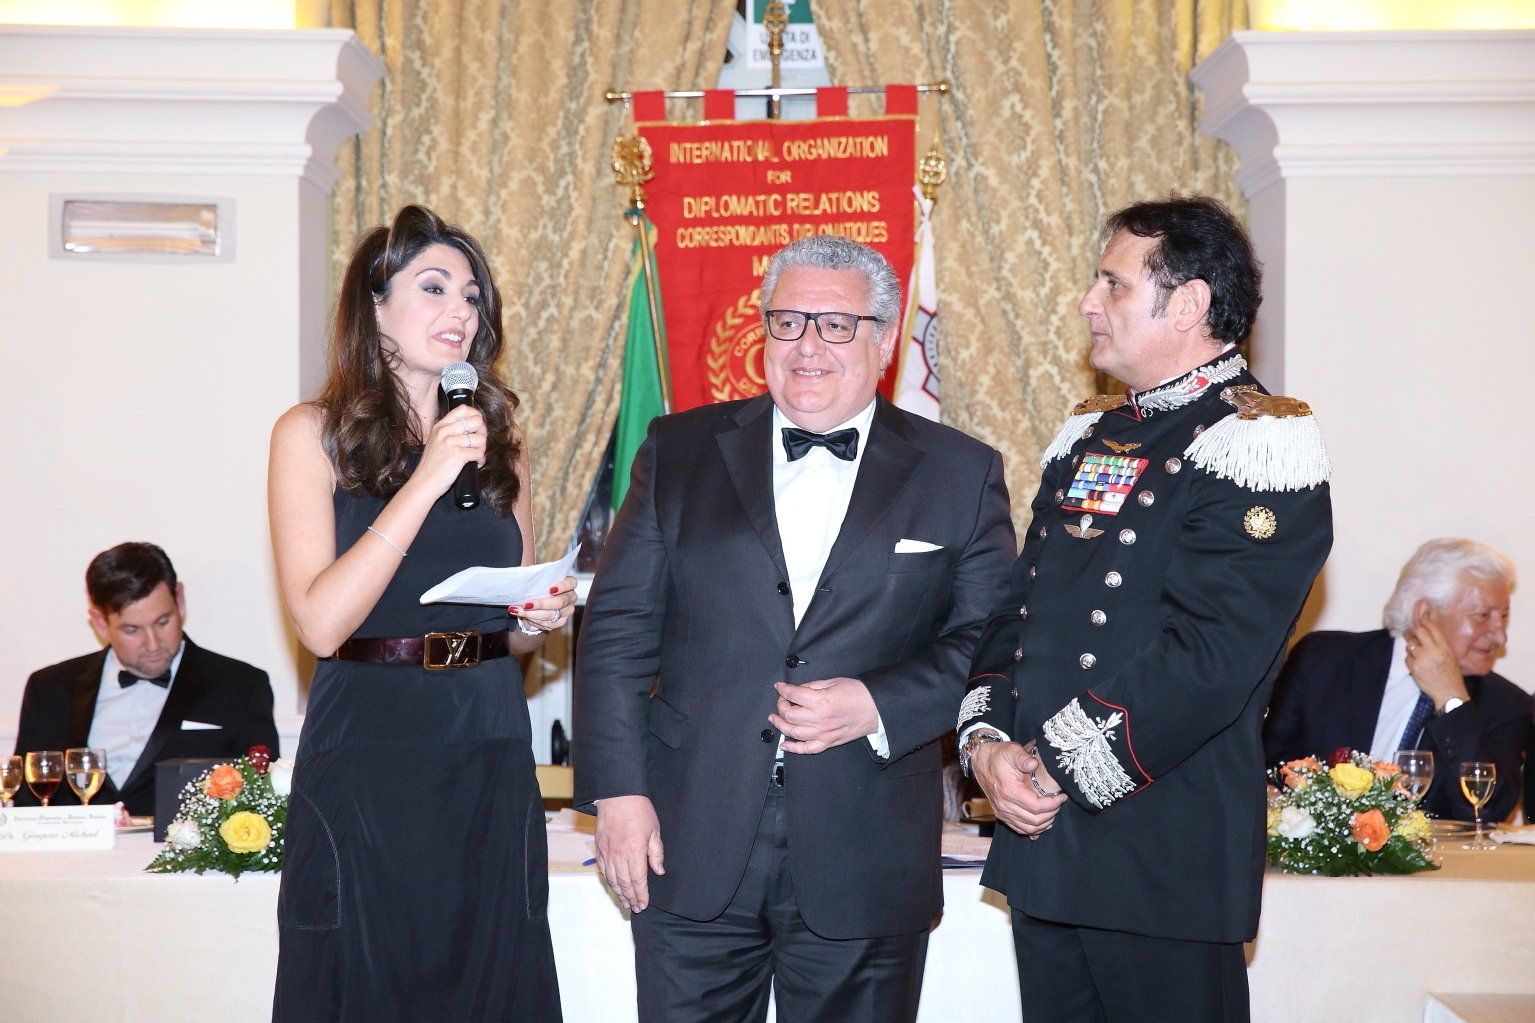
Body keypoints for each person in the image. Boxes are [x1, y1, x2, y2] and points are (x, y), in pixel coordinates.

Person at [574, 234, 1014, 1023]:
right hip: (685, 836)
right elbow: (615, 633)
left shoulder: (961, 470)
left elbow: (988, 641)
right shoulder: (677, 450)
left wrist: (878, 703)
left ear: (884, 338)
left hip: (866, 847)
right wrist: (618, 790)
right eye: (787, 322)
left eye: (836, 325)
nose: (807, 346)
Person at [956, 196, 1333, 1023]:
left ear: (1188, 303)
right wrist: (985, 748)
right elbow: (1017, 614)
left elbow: (1210, 655)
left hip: (1160, 854)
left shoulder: (1257, 441)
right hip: (1046, 844)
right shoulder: (1090, 436)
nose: (1088, 302)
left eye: (1113, 284)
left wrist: (1049, 766)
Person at [267, 205, 572, 1021]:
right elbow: (321, 623)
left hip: (486, 732)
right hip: (372, 740)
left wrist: (537, 616)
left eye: (471, 296)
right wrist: (425, 477)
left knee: (490, 968)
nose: (459, 310)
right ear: (373, 306)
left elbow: (505, 628)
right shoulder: (311, 434)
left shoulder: (502, 441)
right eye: (433, 287)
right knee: (366, 971)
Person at [1265, 538, 1530, 823]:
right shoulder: (1323, 662)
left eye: (1504, 616)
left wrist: (1451, 698)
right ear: (1425, 614)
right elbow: (1263, 763)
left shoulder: (1506, 704)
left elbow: (1487, 811)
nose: (1500, 635)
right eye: (1483, 616)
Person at [13, 542, 277, 816]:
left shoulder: (241, 687)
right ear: (100, 622)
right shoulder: (49, 689)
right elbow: (26, 806)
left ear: (180, 600)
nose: (153, 644)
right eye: (132, 630)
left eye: (163, 622)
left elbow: (261, 803)